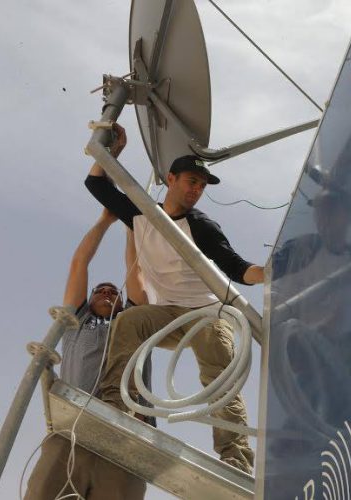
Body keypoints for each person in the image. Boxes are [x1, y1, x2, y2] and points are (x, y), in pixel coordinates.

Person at [84, 124, 264, 474]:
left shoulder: (202, 226)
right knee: (129, 320)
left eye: (201, 186)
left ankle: (236, 457)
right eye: (190, 182)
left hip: (207, 314)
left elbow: (239, 270)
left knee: (217, 368)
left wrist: (272, 271)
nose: (196, 190)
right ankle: (113, 404)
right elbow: (96, 185)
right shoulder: (142, 214)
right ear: (171, 179)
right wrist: (111, 154)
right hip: (166, 314)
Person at [24, 208, 151, 500]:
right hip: (74, 431)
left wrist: (131, 227)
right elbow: (79, 263)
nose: (107, 293)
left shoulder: (136, 323)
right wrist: (106, 219)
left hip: (126, 440)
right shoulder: (76, 322)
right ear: (89, 299)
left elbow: (137, 272)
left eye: (113, 291)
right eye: (100, 291)